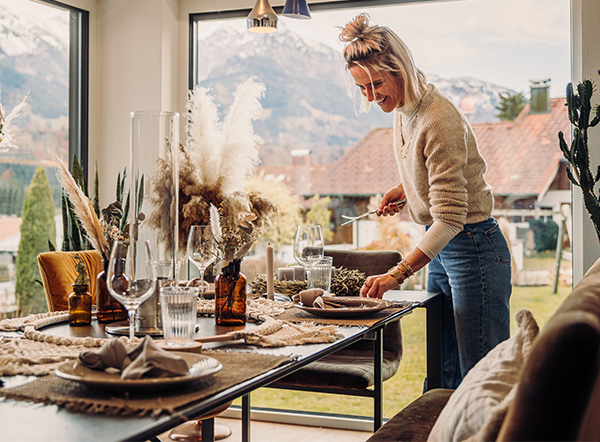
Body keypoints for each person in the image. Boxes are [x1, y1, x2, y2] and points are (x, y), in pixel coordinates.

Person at [341, 13, 511, 389]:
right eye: (362, 88)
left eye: (375, 84)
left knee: (481, 378)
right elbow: (434, 170)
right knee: (442, 370)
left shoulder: (439, 118)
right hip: (445, 250)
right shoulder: (404, 110)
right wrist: (405, 189)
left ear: (399, 68)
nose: (370, 96)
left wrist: (397, 274)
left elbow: (450, 218)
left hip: (473, 249)